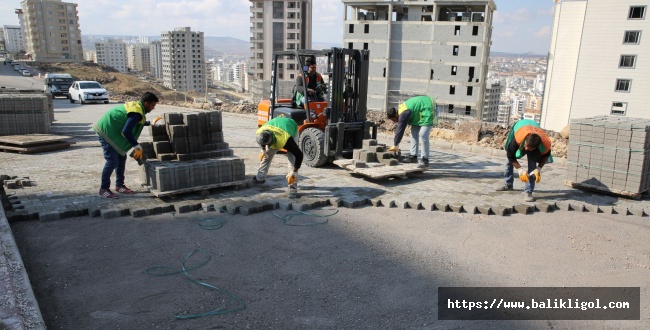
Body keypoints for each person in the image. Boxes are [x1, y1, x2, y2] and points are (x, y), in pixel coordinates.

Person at [92, 92, 161, 198]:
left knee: (121, 158)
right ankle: (103, 189)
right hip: (106, 131)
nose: (153, 108)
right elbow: (126, 131)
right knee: (112, 161)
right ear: (146, 103)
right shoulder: (137, 112)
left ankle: (119, 185)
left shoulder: (138, 108)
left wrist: (149, 123)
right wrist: (136, 145)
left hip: (112, 129)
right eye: (153, 105)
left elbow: (134, 121)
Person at [496, 119, 553, 202]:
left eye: (529, 148)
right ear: (526, 140)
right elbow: (510, 155)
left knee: (532, 166)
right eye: (526, 146)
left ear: (536, 147)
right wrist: (520, 170)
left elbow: (546, 155)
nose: (526, 149)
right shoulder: (518, 137)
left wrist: (538, 169)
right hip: (521, 126)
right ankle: (508, 184)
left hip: (534, 129)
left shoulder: (545, 142)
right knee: (508, 162)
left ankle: (528, 191)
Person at [253, 117, 304, 198]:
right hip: (276, 125)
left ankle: (292, 186)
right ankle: (260, 177)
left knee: (292, 159)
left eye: (267, 145)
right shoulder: (260, 133)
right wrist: (263, 150)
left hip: (290, 127)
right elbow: (262, 142)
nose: (267, 146)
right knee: (267, 156)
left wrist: (294, 171)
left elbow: (299, 155)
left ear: (272, 141)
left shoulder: (286, 140)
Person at [386, 95, 438, 169]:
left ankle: (425, 159)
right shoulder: (402, 110)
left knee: (423, 134)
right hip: (420, 111)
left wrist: (395, 144)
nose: (394, 122)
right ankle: (413, 157)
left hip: (430, 108)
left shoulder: (403, 113)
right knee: (414, 132)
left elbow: (400, 129)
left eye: (393, 120)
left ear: (395, 116)